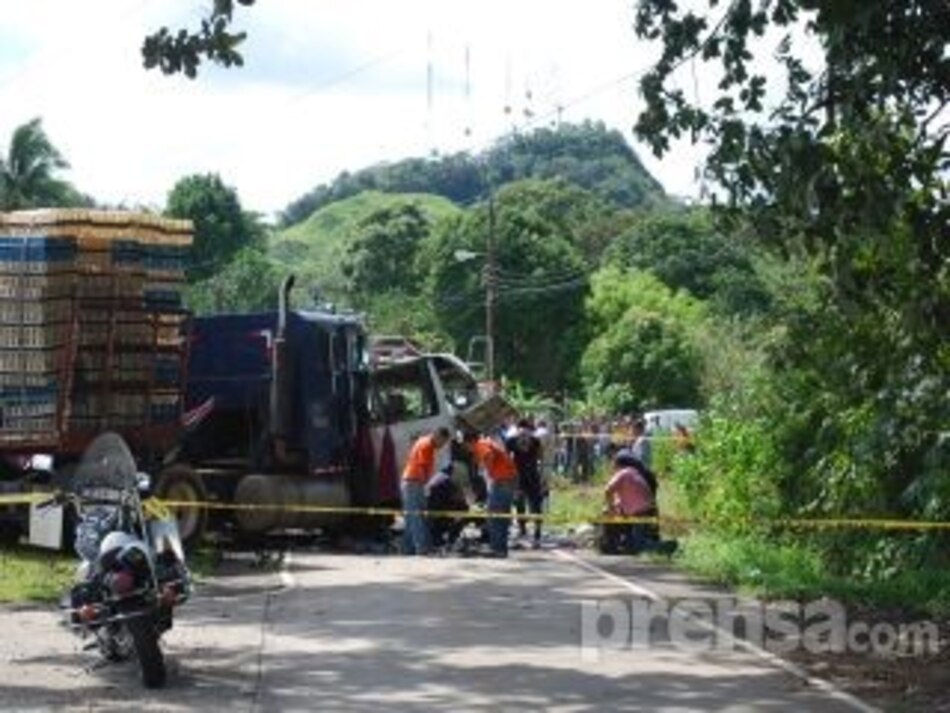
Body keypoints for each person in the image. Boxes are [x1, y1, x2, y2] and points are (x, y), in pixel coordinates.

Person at [602, 450, 676, 556]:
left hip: (641, 514)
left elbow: (608, 490)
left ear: (619, 464)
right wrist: (614, 507)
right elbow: (625, 500)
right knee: (632, 543)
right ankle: (632, 543)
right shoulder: (636, 473)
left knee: (639, 546)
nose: (612, 467)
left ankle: (666, 547)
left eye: (614, 464)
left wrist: (610, 508)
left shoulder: (624, 473)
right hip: (650, 512)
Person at [463, 430, 518, 557]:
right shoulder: (487, 443)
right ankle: (501, 548)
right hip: (508, 479)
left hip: (502, 480)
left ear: (470, 442)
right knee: (501, 516)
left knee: (494, 515)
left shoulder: (480, 444)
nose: (467, 449)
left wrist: (486, 469)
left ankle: (497, 548)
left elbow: (489, 456)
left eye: (466, 446)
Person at [401, 426, 452, 555]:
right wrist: (426, 486)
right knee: (417, 517)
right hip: (414, 482)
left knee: (411, 517)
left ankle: (407, 549)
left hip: (412, 482)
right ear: (438, 436)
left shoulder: (424, 442)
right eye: (443, 442)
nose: (442, 446)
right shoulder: (427, 445)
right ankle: (422, 548)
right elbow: (422, 466)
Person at [505, 419, 544, 548]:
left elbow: (507, 457)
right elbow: (540, 457)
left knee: (520, 502)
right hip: (531, 474)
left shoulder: (511, 440)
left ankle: (524, 529)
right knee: (535, 503)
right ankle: (536, 531)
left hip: (519, 476)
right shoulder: (535, 440)